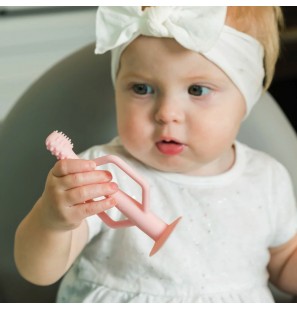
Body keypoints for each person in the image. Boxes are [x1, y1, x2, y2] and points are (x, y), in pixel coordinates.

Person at [14, 6, 297, 302]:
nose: (166, 114)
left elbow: (284, 261)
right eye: (141, 88)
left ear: (246, 100)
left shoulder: (266, 178)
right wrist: (53, 220)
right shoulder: (102, 175)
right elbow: (38, 271)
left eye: (197, 90)